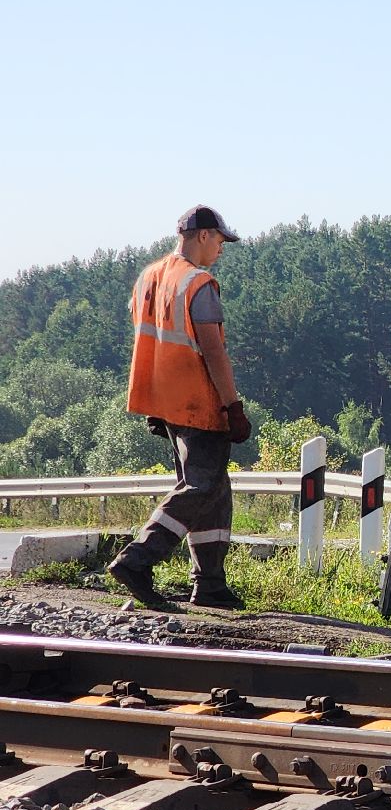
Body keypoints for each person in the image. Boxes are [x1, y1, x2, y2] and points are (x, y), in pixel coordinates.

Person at [108, 206, 252, 610]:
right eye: (220, 240)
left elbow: (151, 341)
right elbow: (213, 351)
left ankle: (209, 584)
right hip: (198, 402)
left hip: (167, 403)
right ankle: (138, 558)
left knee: (213, 490)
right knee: (201, 487)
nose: (221, 249)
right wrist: (233, 406)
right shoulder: (198, 283)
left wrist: (156, 404)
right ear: (203, 235)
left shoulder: (149, 277)